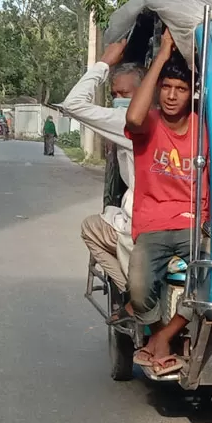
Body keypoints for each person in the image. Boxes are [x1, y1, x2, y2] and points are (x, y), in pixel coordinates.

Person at [125, 28, 206, 376]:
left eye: (181, 89)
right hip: (154, 223)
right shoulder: (149, 123)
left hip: (195, 224)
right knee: (139, 287)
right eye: (167, 88)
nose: (172, 96)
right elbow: (132, 117)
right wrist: (162, 55)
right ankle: (158, 334)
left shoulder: (206, 129)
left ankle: (165, 337)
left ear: (192, 94)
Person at [62, 42, 143, 296]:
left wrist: (104, 63)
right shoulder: (173, 120)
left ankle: (131, 294)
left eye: (124, 94)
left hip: (142, 220)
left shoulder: (128, 121)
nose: (118, 101)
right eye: (114, 95)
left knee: (90, 227)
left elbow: (73, 104)